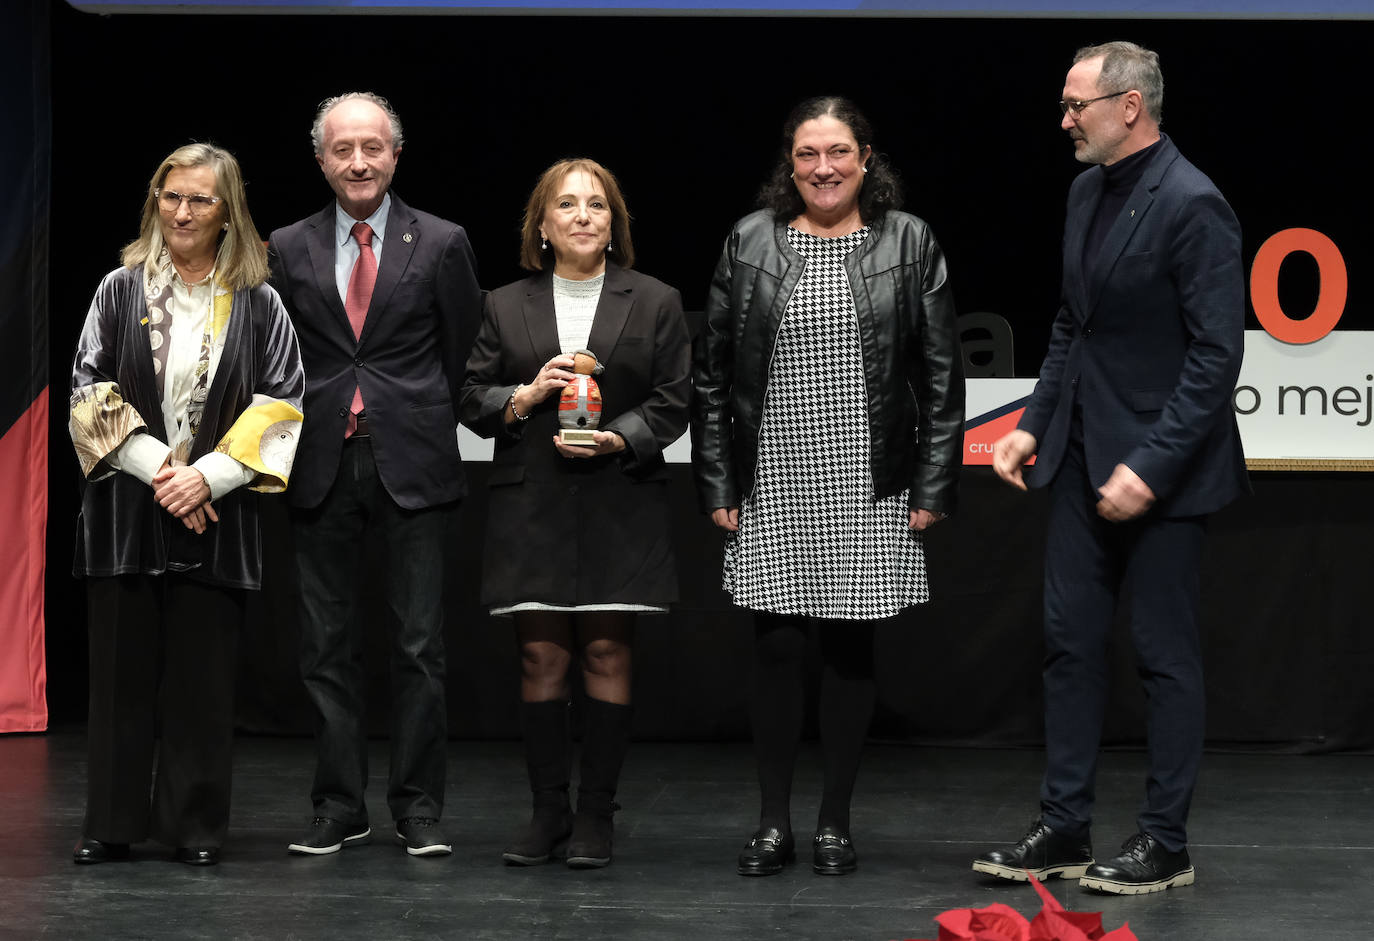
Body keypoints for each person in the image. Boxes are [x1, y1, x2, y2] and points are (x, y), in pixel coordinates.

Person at [975, 41, 1248, 895]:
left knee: (1164, 656)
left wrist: (1151, 467)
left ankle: (1165, 841)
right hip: (1081, 457)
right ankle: (1064, 825)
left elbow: (1216, 357)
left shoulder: (1195, 202)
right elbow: (1072, 325)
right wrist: (1030, 423)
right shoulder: (1086, 190)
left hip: (1162, 473)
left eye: (1076, 105)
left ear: (1129, 107)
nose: (1064, 120)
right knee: (1069, 645)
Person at [692, 97, 965, 877]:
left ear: (866, 157)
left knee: (850, 650)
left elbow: (943, 379)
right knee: (775, 650)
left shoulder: (909, 241)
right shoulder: (751, 240)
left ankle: (836, 823)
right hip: (773, 472)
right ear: (791, 161)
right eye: (808, 153)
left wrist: (933, 483)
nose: (823, 167)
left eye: (839, 151)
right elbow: (712, 376)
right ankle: (773, 822)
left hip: (868, 475)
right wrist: (718, 478)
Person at [68, 142, 304, 866]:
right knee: (119, 680)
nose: (182, 211)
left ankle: (195, 827)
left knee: (202, 683)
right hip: (124, 514)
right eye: (170, 195)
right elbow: (88, 392)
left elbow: (284, 402)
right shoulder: (119, 289)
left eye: (200, 199)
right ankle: (110, 825)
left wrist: (208, 478)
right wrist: (165, 472)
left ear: (228, 211)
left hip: (219, 514)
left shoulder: (261, 302)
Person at [267, 92, 482, 858]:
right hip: (318, 458)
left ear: (395, 154)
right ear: (321, 160)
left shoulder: (443, 240)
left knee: (419, 644)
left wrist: (423, 413)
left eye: (372, 147)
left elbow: (462, 352)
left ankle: (419, 806)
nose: (358, 161)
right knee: (326, 646)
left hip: (414, 460)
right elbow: (277, 358)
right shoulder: (285, 245)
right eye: (341, 149)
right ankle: (338, 804)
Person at [460, 158, 690, 869]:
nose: (584, 214)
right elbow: (473, 398)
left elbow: (676, 398)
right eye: (568, 204)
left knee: (604, 651)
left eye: (598, 204)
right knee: (542, 654)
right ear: (543, 225)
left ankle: (596, 816)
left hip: (620, 495)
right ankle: (547, 812)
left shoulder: (654, 300)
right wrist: (525, 396)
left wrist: (620, 434)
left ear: (614, 223)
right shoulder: (503, 302)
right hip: (533, 501)